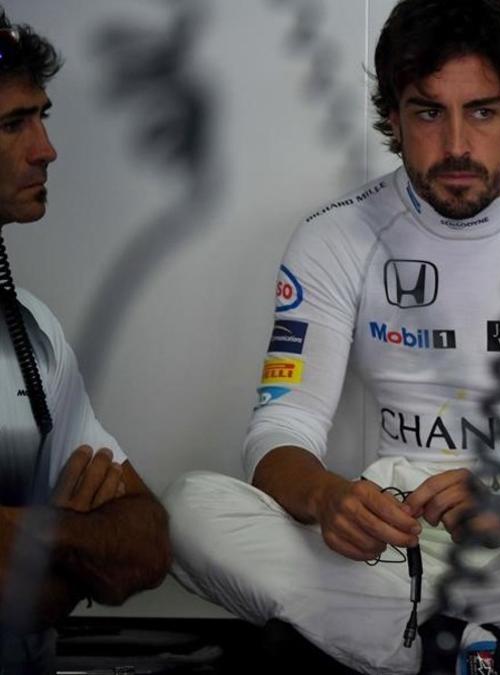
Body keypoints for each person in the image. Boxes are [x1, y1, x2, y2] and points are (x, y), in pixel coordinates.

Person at [163, 0, 500, 672]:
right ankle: (467, 641)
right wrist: (330, 498)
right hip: (394, 538)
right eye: (426, 112)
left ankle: (400, 638)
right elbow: (280, 431)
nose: (455, 147)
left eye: (481, 111)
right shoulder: (334, 235)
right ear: (392, 116)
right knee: (190, 508)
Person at [0, 9, 171, 673]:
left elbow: (145, 543)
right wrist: (77, 546)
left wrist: (34, 531)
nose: (46, 149)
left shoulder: (34, 330)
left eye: (41, 117)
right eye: (14, 124)